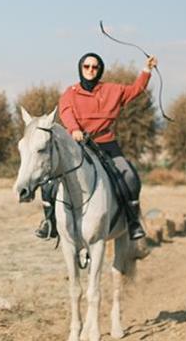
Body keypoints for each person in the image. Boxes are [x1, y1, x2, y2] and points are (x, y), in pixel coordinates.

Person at [34, 52, 155, 241]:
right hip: (78, 145)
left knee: (129, 177)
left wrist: (147, 69)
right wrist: (74, 129)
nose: (90, 70)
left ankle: (132, 222)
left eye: (95, 67)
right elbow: (66, 112)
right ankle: (49, 222)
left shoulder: (113, 90)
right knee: (49, 180)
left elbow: (135, 89)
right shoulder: (70, 92)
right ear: (80, 68)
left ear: (100, 70)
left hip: (106, 144)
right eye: (87, 66)